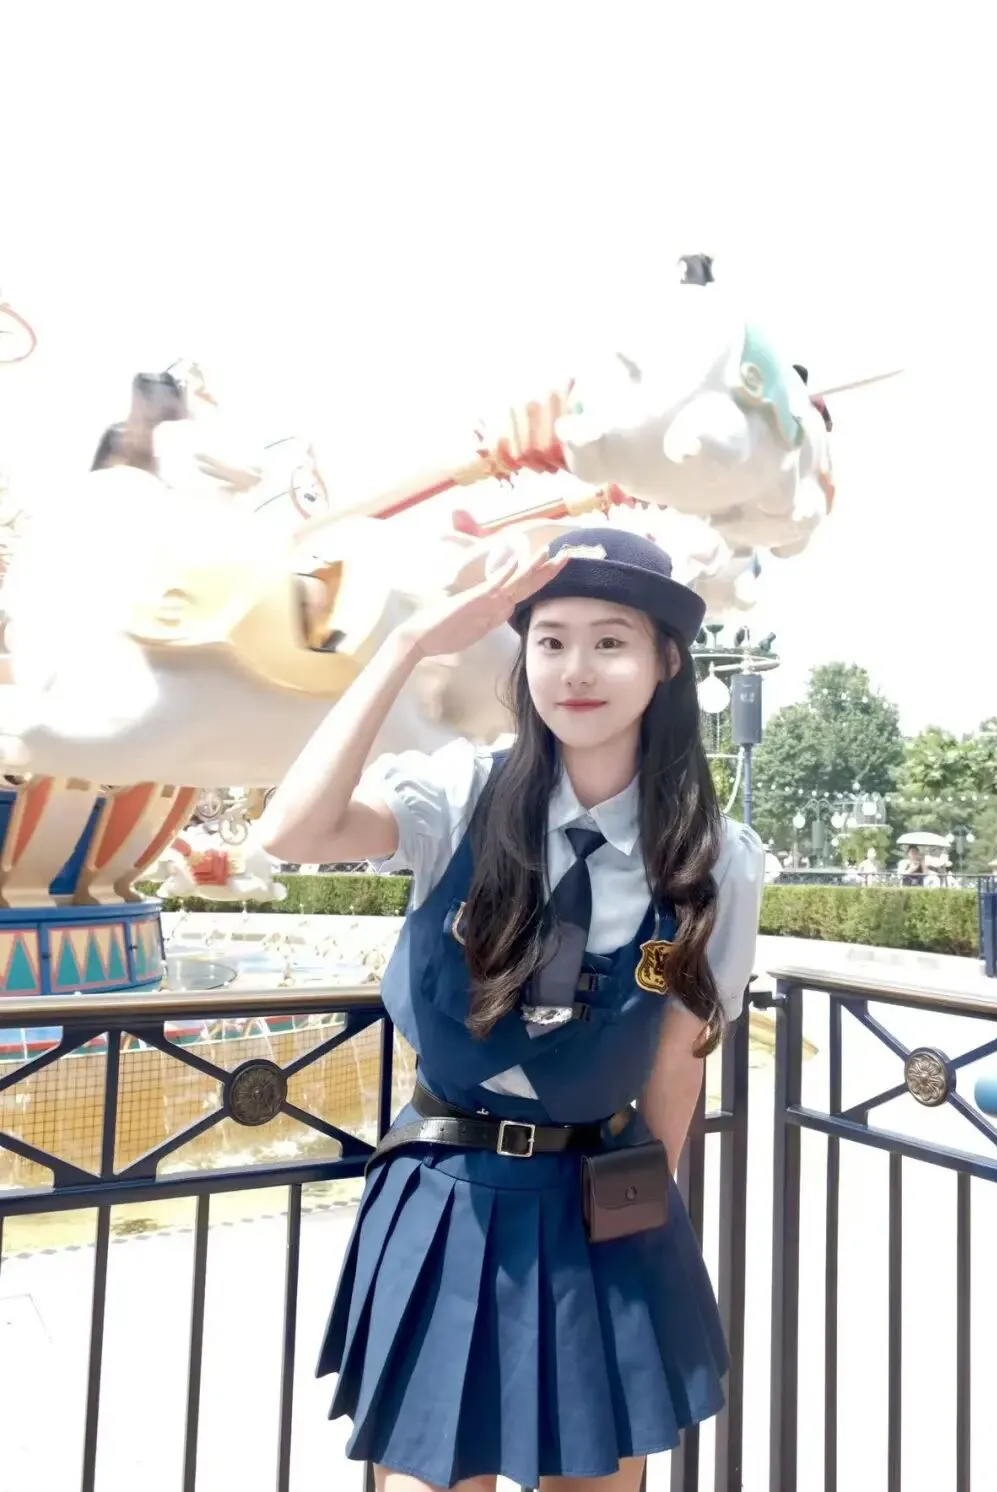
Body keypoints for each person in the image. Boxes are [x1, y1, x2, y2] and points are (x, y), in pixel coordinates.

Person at [260, 527, 765, 1492]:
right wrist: (408, 643)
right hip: (446, 1191)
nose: (577, 669)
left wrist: (643, 1216)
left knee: (598, 1478)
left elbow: (677, 1058)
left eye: (611, 641)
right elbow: (293, 831)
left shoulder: (713, 858)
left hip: (595, 1200)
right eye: (550, 640)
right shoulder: (461, 794)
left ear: (666, 661)